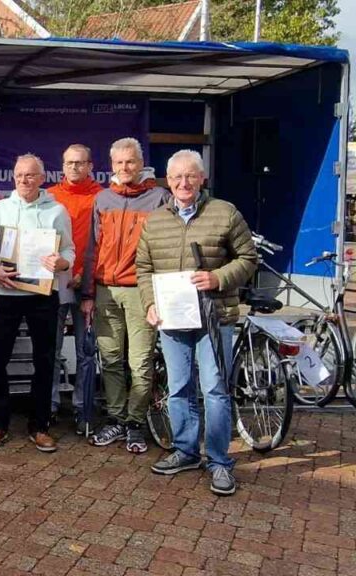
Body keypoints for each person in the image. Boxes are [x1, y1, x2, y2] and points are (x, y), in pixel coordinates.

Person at [137, 149, 256, 496]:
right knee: (178, 388)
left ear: (202, 178)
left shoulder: (224, 212)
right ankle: (186, 450)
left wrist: (217, 278)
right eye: (176, 177)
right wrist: (149, 302)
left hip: (214, 317)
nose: (183, 183)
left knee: (214, 391)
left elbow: (248, 258)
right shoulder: (155, 220)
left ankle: (219, 461)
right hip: (172, 319)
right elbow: (144, 268)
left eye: (190, 176)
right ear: (167, 181)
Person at [0, 154, 74, 452]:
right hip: (6, 294)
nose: (24, 180)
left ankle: (39, 425)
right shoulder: (1, 208)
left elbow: (69, 248)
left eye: (30, 175)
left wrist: (63, 262)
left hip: (43, 295)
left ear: (42, 178)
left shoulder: (57, 210)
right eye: (18, 175)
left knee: (44, 361)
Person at [81, 137, 169, 454]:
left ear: (140, 162)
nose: (124, 167)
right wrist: (88, 293)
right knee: (111, 360)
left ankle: (135, 423)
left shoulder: (160, 198)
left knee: (141, 363)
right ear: (111, 165)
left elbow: (167, 250)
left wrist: (158, 294)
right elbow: (93, 249)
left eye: (130, 161)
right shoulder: (103, 199)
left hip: (141, 292)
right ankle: (117, 419)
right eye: (118, 162)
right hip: (105, 290)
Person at [48, 145, 104, 434]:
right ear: (62, 165)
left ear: (90, 165)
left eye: (80, 163)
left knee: (86, 351)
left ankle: (83, 410)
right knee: (52, 349)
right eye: (69, 163)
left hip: (87, 283)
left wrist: (85, 275)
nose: (74, 168)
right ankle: (50, 406)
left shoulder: (101, 197)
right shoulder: (49, 196)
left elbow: (103, 242)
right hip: (54, 282)